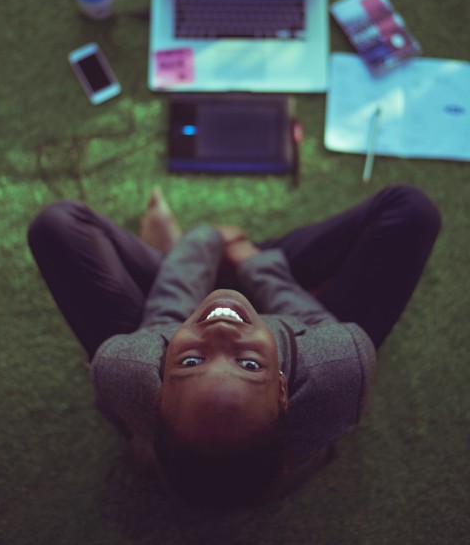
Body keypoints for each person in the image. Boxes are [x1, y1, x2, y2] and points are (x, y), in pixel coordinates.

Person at [27, 184, 441, 506]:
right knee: (412, 210)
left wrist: (204, 241)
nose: (221, 335)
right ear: (283, 390)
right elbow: (308, 319)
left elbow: (169, 313)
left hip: (180, 310)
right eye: (248, 366)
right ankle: (242, 262)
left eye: (190, 361)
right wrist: (250, 260)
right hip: (291, 301)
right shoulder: (339, 363)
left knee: (56, 224)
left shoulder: (125, 367)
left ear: (154, 390)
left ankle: (175, 255)